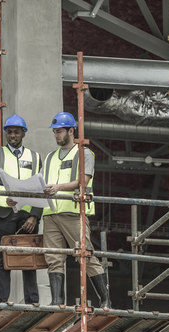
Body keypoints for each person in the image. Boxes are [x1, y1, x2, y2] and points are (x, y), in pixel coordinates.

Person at [41, 112, 110, 308]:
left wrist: (58, 187)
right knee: (53, 258)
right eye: (54, 132)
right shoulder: (49, 158)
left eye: (59, 132)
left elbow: (83, 181)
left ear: (71, 131)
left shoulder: (84, 153)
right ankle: (57, 302)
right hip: (51, 214)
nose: (56, 135)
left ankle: (105, 299)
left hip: (73, 212)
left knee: (84, 254)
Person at [0, 114, 44, 304]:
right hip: (4, 213)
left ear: (23, 134)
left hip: (27, 215)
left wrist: (35, 216)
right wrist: (10, 190)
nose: (12, 135)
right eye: (9, 132)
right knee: (4, 258)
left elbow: (40, 187)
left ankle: (32, 301)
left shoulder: (35, 157)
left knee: (30, 258)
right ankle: (3, 302)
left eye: (16, 132)